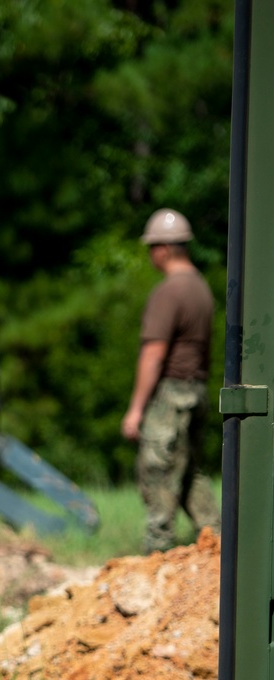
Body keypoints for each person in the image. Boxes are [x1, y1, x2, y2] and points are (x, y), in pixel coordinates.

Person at [121, 208, 220, 554]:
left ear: (163, 249)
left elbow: (154, 355)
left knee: (158, 474)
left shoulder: (169, 291)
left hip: (171, 396)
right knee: (190, 472)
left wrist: (135, 410)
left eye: (151, 247)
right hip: (196, 392)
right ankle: (220, 542)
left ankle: (156, 557)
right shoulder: (201, 288)